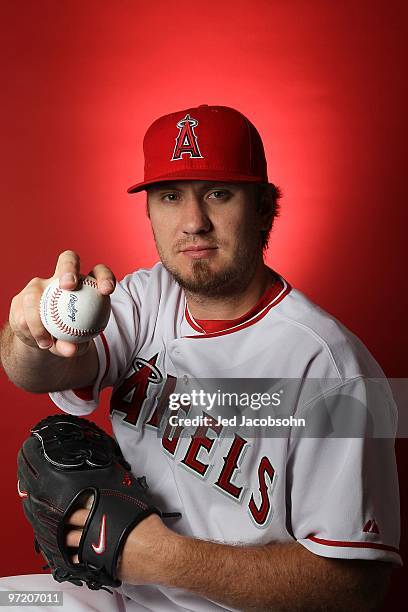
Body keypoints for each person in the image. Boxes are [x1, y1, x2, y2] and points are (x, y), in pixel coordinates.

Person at [0, 104, 401, 611]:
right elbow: (39, 372)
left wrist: (155, 557)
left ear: (262, 208)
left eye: (218, 193)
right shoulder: (149, 296)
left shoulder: (330, 370)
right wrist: (28, 332)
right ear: (149, 211)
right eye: (170, 196)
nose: (193, 222)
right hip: (119, 596)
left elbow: (356, 589)